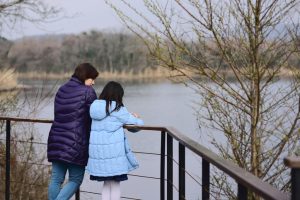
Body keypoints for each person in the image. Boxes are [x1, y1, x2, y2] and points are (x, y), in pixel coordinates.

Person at [47, 63, 99, 200]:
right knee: (76, 179)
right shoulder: (88, 92)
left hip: (56, 139)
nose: (93, 82)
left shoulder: (62, 89)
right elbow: (97, 114)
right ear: (85, 77)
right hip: (76, 142)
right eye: (92, 79)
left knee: (56, 179)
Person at [86, 81, 144, 200]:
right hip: (114, 154)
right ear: (118, 95)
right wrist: (137, 117)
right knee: (116, 184)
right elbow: (138, 125)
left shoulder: (95, 107)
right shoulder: (118, 109)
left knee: (107, 184)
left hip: (99, 154)